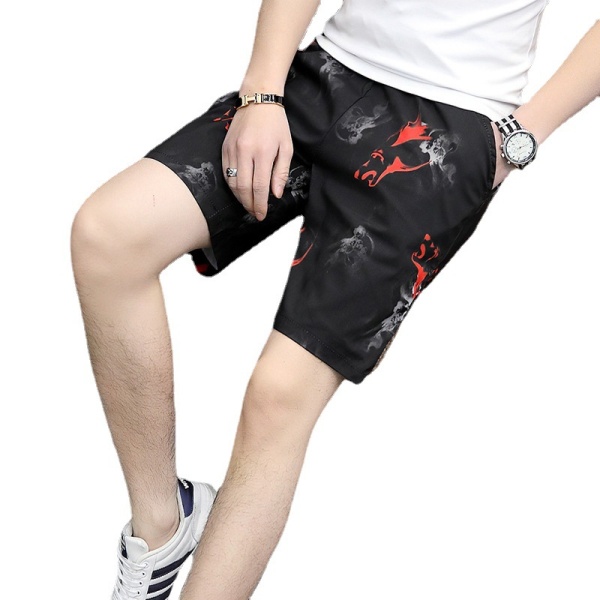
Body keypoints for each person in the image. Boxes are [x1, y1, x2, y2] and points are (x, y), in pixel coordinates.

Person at [69, 0, 599, 598]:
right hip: (323, 77)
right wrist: (263, 93)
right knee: (108, 237)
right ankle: (162, 524)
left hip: (447, 132)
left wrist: (521, 135)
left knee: (278, 397)